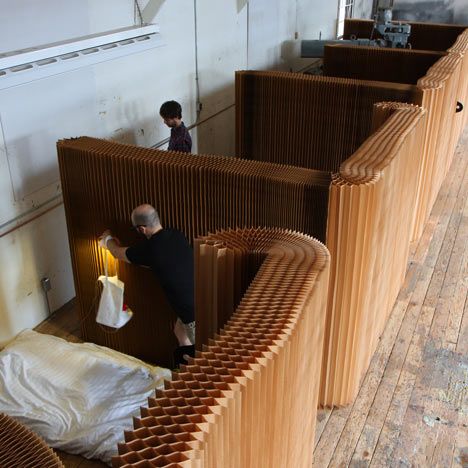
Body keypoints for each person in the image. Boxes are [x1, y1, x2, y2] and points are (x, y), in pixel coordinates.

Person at [99, 204, 195, 367]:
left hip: (192, 313)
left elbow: (116, 252)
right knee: (179, 331)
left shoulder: (150, 250)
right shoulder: (177, 235)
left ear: (142, 229)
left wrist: (106, 239)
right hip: (201, 295)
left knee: (202, 357)